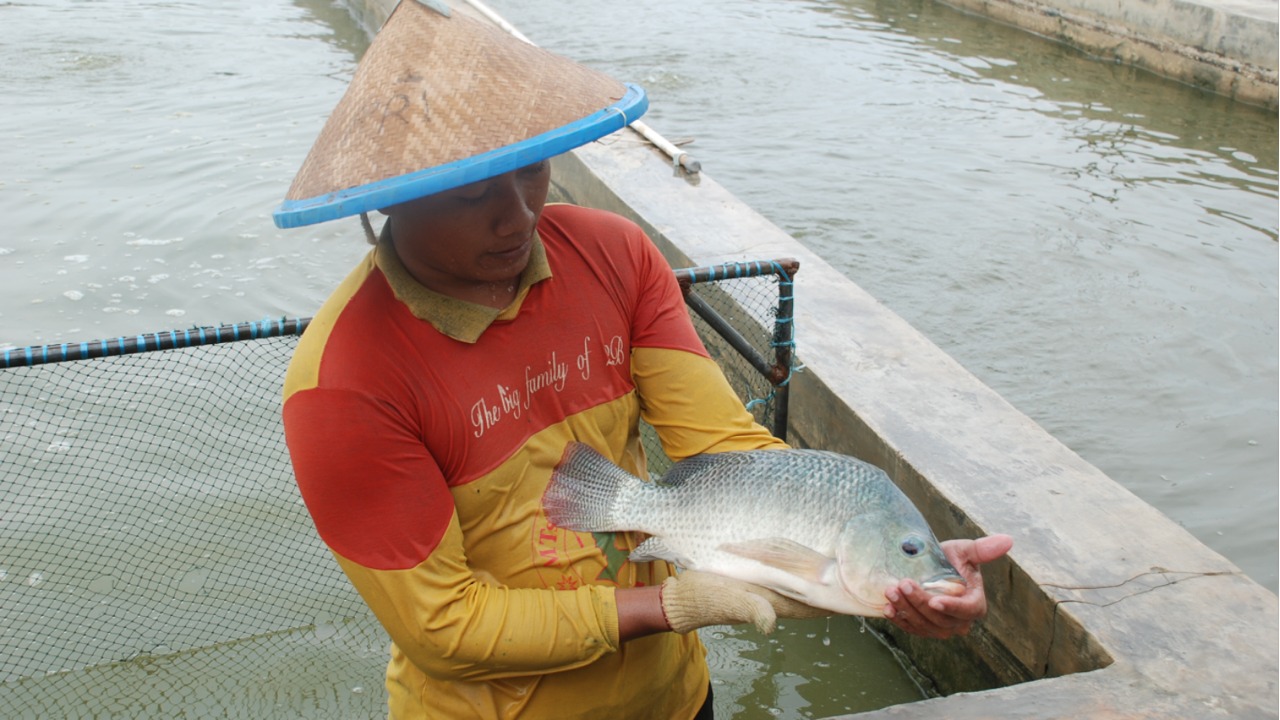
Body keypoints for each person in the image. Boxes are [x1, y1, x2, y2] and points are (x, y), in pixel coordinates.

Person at [274, 3, 1012, 718]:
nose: (520, 215)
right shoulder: (342, 385)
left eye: (532, 169)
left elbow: (728, 450)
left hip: (674, 700)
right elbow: (444, 629)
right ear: (390, 202)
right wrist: (669, 604)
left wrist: (889, 562)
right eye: (472, 195)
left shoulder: (614, 254)